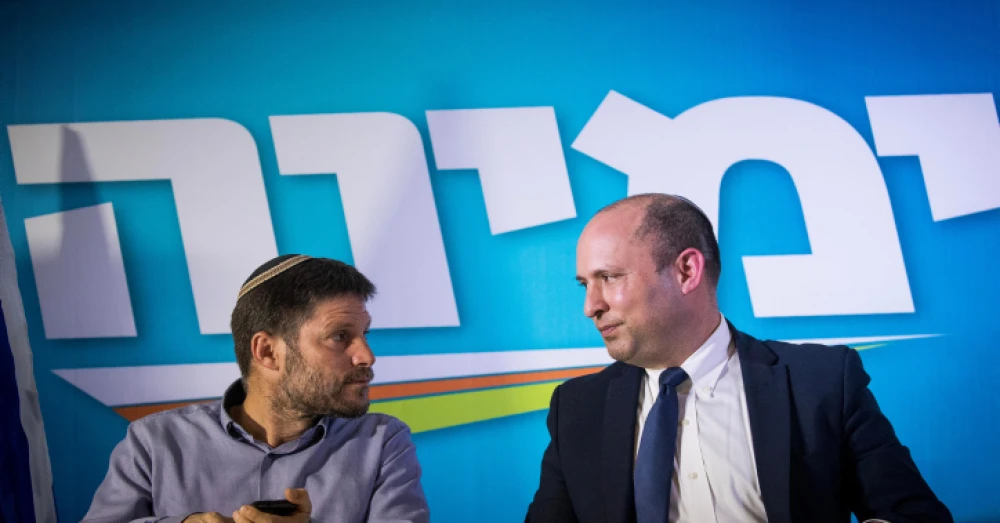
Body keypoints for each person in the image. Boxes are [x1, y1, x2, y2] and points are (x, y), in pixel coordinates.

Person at [526, 194, 951, 523]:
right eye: (585, 284)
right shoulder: (576, 408)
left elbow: (915, 514)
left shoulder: (821, 383)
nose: (590, 306)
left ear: (687, 271)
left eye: (609, 277)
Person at [84, 255, 429, 523]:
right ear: (267, 352)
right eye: (340, 336)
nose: (366, 356)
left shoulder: (383, 443)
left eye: (364, 334)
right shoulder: (155, 442)